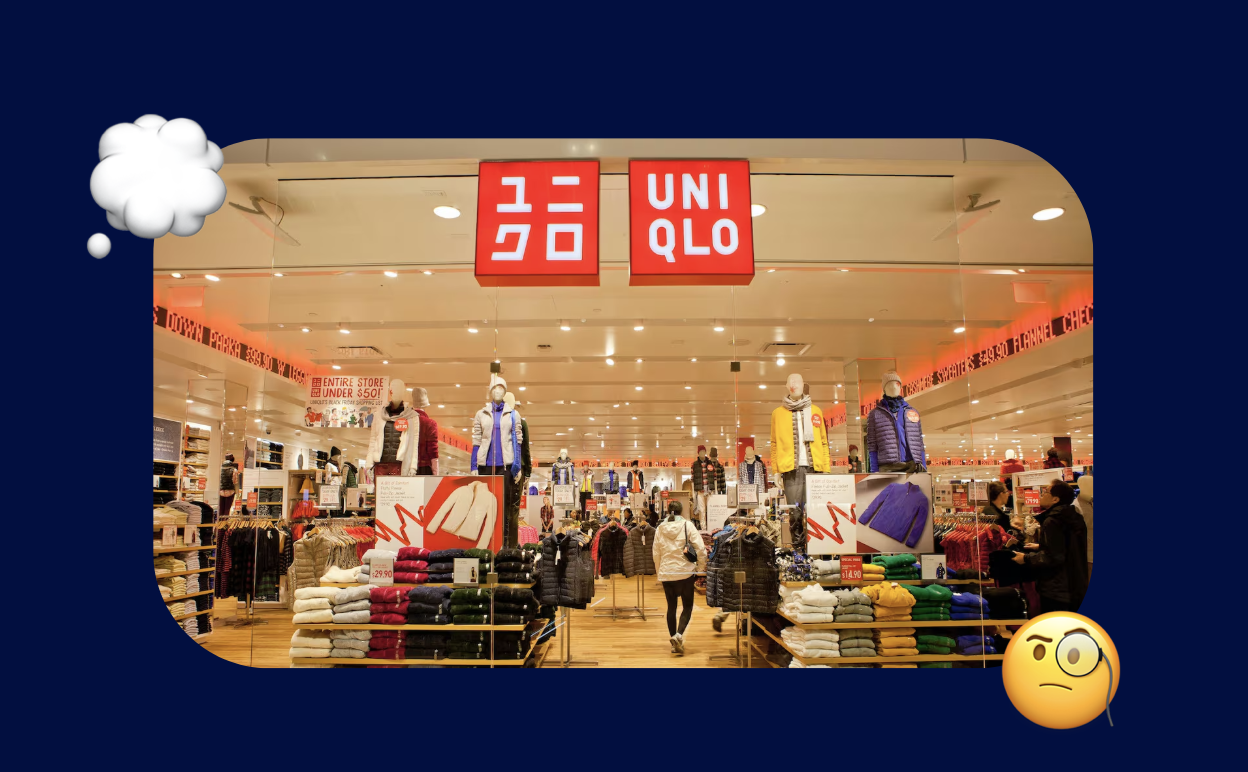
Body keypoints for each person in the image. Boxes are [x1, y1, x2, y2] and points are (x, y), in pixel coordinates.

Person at [1012, 481, 1087, 613]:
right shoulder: (1074, 517)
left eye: (1046, 492)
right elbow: (1067, 547)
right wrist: (1041, 546)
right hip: (1074, 583)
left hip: (1056, 588)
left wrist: (1025, 558)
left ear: (1055, 499)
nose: (1041, 495)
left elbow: (1053, 557)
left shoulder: (1052, 520)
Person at [652, 501, 707, 655]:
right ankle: (678, 635)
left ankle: (673, 641)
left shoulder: (660, 528)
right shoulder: (687, 525)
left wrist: (660, 572)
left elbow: (656, 552)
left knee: (671, 607)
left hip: (667, 572)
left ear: (668, 511)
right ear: (682, 511)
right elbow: (700, 548)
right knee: (687, 606)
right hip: (685, 572)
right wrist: (700, 567)